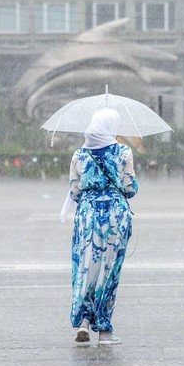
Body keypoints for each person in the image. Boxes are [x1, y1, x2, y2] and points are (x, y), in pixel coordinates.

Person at [64, 108, 138, 346]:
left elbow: (74, 191)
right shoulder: (123, 152)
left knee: (86, 269)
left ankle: (84, 322)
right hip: (116, 217)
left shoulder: (79, 154)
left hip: (87, 216)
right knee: (109, 271)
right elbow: (130, 189)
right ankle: (104, 331)